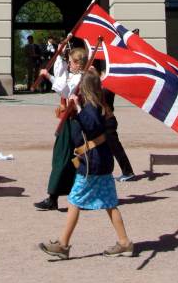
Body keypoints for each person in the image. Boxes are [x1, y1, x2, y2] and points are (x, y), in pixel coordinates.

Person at [39, 69, 133, 259]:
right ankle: (124, 242)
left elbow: (92, 126)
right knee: (109, 203)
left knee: (74, 200)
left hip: (92, 163)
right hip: (99, 162)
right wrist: (69, 112)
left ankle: (63, 245)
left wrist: (79, 110)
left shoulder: (92, 107)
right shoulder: (94, 105)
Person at [34, 43, 87, 211]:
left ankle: (65, 196)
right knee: (63, 157)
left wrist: (49, 77)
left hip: (75, 122)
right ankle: (54, 196)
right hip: (68, 121)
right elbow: (64, 86)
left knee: (70, 158)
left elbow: (64, 91)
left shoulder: (83, 78)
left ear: (78, 63)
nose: (69, 64)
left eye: (71, 62)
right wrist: (49, 75)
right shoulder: (76, 76)